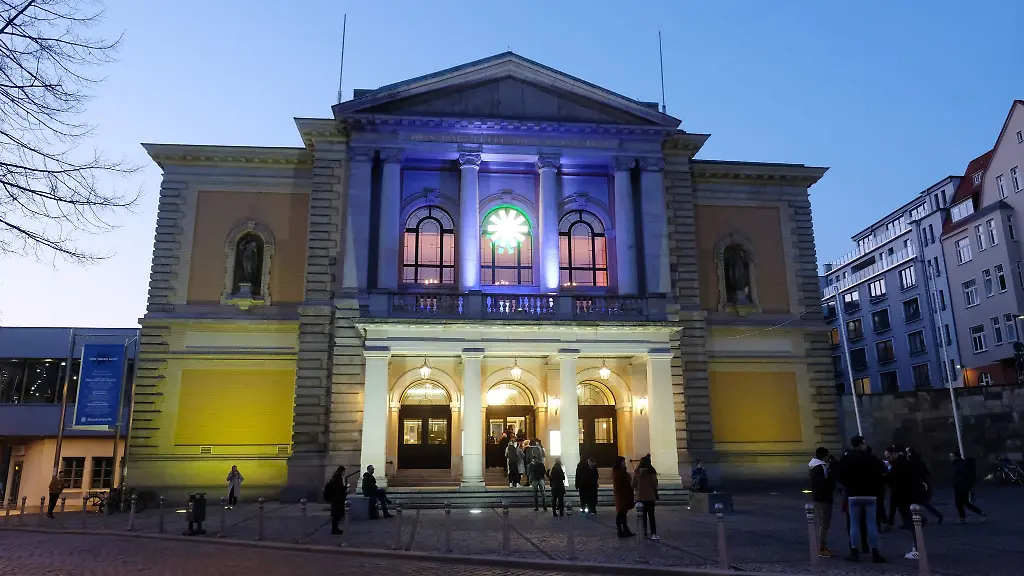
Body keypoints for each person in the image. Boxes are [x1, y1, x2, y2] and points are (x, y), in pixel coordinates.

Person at [835, 435, 885, 563]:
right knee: (872, 524)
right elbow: (882, 471)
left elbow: (840, 476)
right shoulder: (871, 458)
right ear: (861, 444)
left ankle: (855, 552)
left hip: (853, 494)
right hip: (870, 494)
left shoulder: (846, 458)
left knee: (854, 525)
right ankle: (875, 552)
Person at [886, 445, 920, 560]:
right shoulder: (906, 463)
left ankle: (917, 549)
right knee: (912, 523)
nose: (888, 459)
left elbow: (894, 484)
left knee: (911, 523)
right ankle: (917, 547)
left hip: (904, 497)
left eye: (889, 456)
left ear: (895, 454)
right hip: (910, 496)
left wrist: (885, 476)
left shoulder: (898, 466)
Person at [809, 447, 835, 558]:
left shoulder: (813, 466)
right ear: (825, 456)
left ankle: (821, 546)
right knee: (824, 524)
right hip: (824, 498)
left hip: (817, 497)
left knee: (821, 523)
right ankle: (821, 547)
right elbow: (826, 483)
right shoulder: (821, 468)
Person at [907, 447, 942, 524]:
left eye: (908, 452)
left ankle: (923, 519)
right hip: (919, 484)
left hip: (917, 485)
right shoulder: (917, 461)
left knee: (915, 503)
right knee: (923, 503)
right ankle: (937, 515)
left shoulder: (912, 462)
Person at [950, 451, 986, 523]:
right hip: (962, 486)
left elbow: (961, 475)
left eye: (952, 456)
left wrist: (958, 483)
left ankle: (963, 518)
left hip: (961, 486)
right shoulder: (959, 463)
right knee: (964, 503)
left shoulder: (959, 464)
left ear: (956, 457)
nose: (950, 458)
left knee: (960, 503)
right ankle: (980, 513)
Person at [632, 454, 659, 540]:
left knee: (642, 517)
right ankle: (653, 533)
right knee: (651, 517)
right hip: (650, 497)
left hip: (640, 497)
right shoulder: (651, 472)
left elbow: (633, 484)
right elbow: (654, 484)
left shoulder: (637, 472)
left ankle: (643, 531)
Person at [611, 456, 635, 538]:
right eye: (623, 462)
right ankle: (621, 531)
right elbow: (620, 485)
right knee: (621, 514)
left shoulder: (621, 472)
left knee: (623, 514)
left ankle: (624, 530)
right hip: (622, 496)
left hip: (624, 496)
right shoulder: (618, 473)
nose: (625, 464)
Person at [323, 465, 348, 535]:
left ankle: (335, 529)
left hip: (336, 499)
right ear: (341, 471)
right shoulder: (338, 478)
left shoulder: (336, 477)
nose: (344, 473)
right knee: (336, 515)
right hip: (337, 499)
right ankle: (334, 529)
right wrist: (345, 488)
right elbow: (338, 488)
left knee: (336, 515)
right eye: (344, 471)